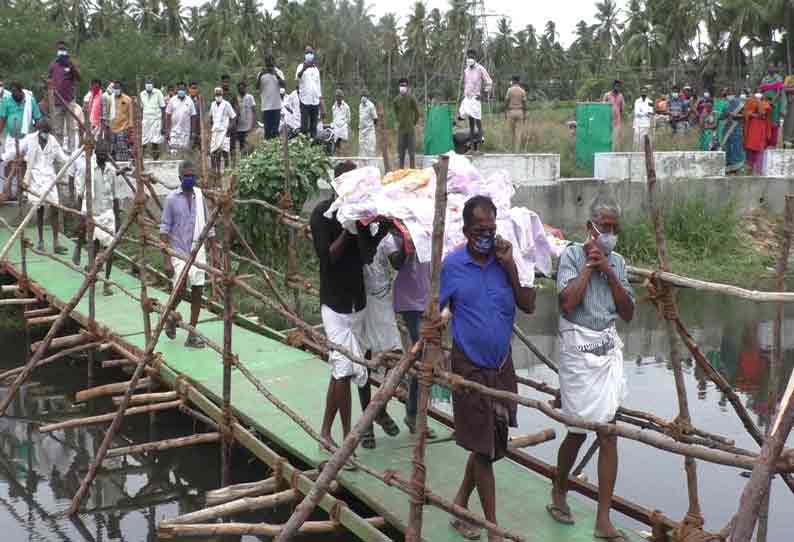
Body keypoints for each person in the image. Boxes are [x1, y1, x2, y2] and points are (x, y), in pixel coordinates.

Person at [439, 195, 535, 541]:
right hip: (469, 368)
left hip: (501, 365)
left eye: (491, 229)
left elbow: (528, 304)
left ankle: (459, 505)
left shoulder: (507, 258)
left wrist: (509, 264)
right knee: (483, 450)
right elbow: (433, 315)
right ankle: (494, 528)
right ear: (466, 231)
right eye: (480, 230)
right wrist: (435, 357)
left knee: (492, 445)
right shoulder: (452, 266)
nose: (486, 235)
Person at [549, 195, 635, 542]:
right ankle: (559, 490)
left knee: (608, 432)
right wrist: (589, 266)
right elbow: (568, 303)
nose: (610, 235)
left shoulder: (619, 263)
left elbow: (628, 311)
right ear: (591, 229)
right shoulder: (570, 256)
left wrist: (608, 271)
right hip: (577, 353)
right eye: (605, 228)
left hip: (606, 350)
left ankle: (603, 517)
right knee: (577, 428)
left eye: (615, 229)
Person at [310, 161, 395, 456]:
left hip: (357, 303)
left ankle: (325, 431)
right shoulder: (322, 215)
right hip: (334, 306)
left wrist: (380, 231)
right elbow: (327, 257)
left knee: (343, 371)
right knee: (344, 371)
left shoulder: (359, 216)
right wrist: (346, 229)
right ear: (337, 185)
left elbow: (366, 255)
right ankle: (347, 437)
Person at [381, 226, 437, 436]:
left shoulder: (432, 227)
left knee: (424, 357)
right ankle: (413, 415)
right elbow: (396, 262)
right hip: (410, 299)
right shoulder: (396, 233)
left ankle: (413, 412)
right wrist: (408, 244)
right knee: (420, 354)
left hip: (428, 296)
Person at [160, 160, 217, 348]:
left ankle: (192, 333)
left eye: (193, 175)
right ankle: (170, 316)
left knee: (198, 290)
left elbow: (209, 225)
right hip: (178, 251)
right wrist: (166, 259)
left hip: (198, 248)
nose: (190, 179)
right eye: (187, 176)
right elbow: (164, 230)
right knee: (181, 288)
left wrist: (213, 250)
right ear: (179, 178)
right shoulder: (171, 199)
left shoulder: (199, 196)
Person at [2, 119, 68, 254]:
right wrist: (5, 161)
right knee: (39, 209)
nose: (45, 134)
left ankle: (56, 242)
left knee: (55, 208)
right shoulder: (30, 139)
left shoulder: (53, 141)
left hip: (49, 178)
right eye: (44, 132)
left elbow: (63, 158)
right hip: (35, 178)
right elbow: (17, 153)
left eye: (47, 132)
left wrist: (75, 158)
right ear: (39, 130)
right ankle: (41, 241)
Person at [70, 142, 117, 296]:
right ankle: (92, 275)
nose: (101, 157)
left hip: (108, 214)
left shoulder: (111, 171)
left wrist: (118, 217)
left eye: (104, 154)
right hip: (93, 214)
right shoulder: (87, 170)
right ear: (95, 155)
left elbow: (115, 197)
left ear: (107, 155)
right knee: (95, 247)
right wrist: (79, 217)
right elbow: (80, 194)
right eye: (99, 154)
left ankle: (107, 282)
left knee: (110, 251)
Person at [0, 81, 43, 201]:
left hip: (27, 138)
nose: (14, 94)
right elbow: (2, 120)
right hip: (11, 138)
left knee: (23, 163)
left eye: (16, 92)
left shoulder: (30, 101)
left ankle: (21, 192)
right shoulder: (6, 101)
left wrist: (40, 129)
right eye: (12, 92)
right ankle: (7, 193)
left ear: (21, 90)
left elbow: (37, 118)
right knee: (9, 162)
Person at [47, 40, 81, 150]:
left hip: (69, 100)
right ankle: (58, 152)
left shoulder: (71, 63)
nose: (61, 51)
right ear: (56, 51)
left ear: (66, 50)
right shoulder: (53, 64)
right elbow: (49, 79)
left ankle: (72, 152)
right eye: (59, 49)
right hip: (57, 101)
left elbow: (79, 78)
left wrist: (72, 66)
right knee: (57, 130)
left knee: (71, 128)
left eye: (63, 49)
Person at [459, 49, 492, 154]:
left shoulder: (480, 69)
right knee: (471, 124)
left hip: (476, 98)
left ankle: (480, 149)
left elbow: (489, 82)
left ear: (475, 58)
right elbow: (466, 84)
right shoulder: (466, 70)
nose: (470, 59)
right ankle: (472, 149)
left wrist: (482, 94)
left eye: (472, 57)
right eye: (468, 57)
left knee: (478, 123)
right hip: (467, 98)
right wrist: (463, 95)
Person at [296, 46, 324, 137]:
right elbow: (297, 78)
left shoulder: (316, 70)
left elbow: (318, 88)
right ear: (304, 55)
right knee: (304, 127)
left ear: (313, 55)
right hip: (304, 101)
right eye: (307, 53)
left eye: (311, 53)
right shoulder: (300, 66)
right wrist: (304, 68)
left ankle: (312, 147)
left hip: (315, 101)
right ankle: (303, 147)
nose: (309, 54)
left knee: (313, 127)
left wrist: (321, 105)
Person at [208, 87, 236, 174]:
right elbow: (210, 117)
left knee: (225, 153)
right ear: (214, 95)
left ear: (222, 94)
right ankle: (215, 173)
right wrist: (211, 127)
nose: (218, 96)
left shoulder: (226, 104)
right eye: (217, 94)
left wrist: (229, 129)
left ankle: (227, 173)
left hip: (224, 131)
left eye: (219, 94)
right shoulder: (212, 104)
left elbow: (234, 117)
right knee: (213, 153)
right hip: (215, 132)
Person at [165, 82, 198, 156]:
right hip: (174, 131)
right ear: (177, 90)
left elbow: (193, 117)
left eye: (183, 89)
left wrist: (193, 131)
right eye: (180, 89)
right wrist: (167, 130)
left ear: (185, 90)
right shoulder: (172, 100)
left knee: (184, 152)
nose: (181, 91)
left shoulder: (189, 101)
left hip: (185, 131)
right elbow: (168, 115)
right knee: (173, 152)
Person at [394, 78, 420, 169]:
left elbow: (417, 112)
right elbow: (396, 113)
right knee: (401, 153)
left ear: (407, 87)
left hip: (410, 130)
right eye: (401, 85)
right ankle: (401, 171)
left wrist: (413, 123)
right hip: (401, 130)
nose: (402, 87)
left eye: (404, 85)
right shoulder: (396, 100)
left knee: (411, 153)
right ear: (398, 87)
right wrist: (398, 122)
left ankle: (412, 171)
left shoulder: (411, 98)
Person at [744, 90, 772, 175]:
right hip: (752, 127)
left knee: (759, 148)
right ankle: (749, 168)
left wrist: (759, 103)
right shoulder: (750, 101)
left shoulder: (766, 103)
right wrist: (753, 114)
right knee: (750, 148)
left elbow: (763, 112)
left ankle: (758, 169)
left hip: (760, 127)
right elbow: (746, 112)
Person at [139, 78, 166, 160]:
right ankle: (141, 157)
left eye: (150, 83)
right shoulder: (142, 94)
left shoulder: (158, 93)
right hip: (146, 119)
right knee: (143, 140)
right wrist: (140, 120)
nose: (149, 85)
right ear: (145, 85)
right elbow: (141, 108)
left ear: (153, 85)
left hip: (156, 120)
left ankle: (155, 158)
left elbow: (163, 108)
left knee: (155, 140)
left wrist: (163, 124)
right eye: (147, 83)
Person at [760, 64, 786, 149]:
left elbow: (779, 92)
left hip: (775, 104)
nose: (770, 68)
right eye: (769, 67)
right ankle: (765, 142)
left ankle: (773, 143)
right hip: (765, 103)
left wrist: (772, 101)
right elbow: (762, 91)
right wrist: (764, 102)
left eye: (772, 67)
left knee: (774, 123)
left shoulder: (778, 78)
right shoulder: (764, 79)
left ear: (775, 68)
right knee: (765, 121)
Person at [258, 55, 283, 139]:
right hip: (265, 107)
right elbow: (257, 87)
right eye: (268, 64)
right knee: (267, 131)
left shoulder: (278, 72)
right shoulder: (261, 74)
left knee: (275, 131)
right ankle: (268, 149)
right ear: (265, 64)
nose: (269, 66)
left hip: (276, 106)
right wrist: (261, 74)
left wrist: (276, 75)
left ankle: (275, 148)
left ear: (274, 63)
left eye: (271, 64)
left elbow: (284, 85)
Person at [721, 89, 746, 174]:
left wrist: (735, 115)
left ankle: (737, 167)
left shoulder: (739, 103)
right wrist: (727, 114)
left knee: (736, 146)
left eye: (730, 93)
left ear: (734, 94)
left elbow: (744, 115)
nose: (728, 95)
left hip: (736, 128)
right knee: (727, 147)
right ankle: (728, 167)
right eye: (727, 94)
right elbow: (722, 116)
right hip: (727, 128)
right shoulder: (725, 103)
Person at [109, 81, 134, 162]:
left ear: (121, 89)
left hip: (123, 128)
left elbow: (130, 114)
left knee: (122, 147)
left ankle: (123, 164)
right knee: (112, 148)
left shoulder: (127, 99)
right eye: (115, 88)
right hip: (112, 127)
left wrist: (130, 128)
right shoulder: (110, 99)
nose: (116, 89)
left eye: (118, 88)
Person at [504, 75, 526, 153]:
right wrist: (524, 114)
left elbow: (506, 101)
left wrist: (505, 112)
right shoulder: (522, 91)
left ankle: (511, 150)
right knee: (518, 133)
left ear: (513, 80)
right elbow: (524, 103)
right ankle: (517, 151)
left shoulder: (509, 90)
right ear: (519, 81)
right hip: (520, 112)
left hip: (511, 111)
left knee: (511, 132)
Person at [233, 81, 256, 156]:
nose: (241, 89)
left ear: (245, 88)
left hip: (248, 127)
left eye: (243, 88)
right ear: (237, 89)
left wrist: (253, 125)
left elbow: (254, 111)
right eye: (240, 88)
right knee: (241, 148)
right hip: (239, 128)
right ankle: (243, 162)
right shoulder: (236, 98)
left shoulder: (250, 97)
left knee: (250, 146)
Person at [632, 86, 654, 152]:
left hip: (646, 124)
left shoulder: (650, 101)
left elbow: (650, 113)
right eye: (642, 91)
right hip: (637, 124)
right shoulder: (637, 101)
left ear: (647, 92)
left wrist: (642, 112)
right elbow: (636, 113)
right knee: (636, 141)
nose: (643, 92)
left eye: (645, 91)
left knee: (644, 142)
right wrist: (645, 113)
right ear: (640, 92)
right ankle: (635, 154)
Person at [603, 80, 624, 150]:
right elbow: (602, 108)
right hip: (607, 122)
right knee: (607, 139)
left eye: (619, 87)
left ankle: (615, 155)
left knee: (616, 140)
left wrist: (618, 117)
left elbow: (621, 109)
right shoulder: (607, 95)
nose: (618, 88)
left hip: (617, 122)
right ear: (613, 86)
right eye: (616, 86)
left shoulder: (621, 96)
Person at [358, 89, 378, 156]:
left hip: (369, 130)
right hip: (361, 130)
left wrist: (371, 127)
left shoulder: (371, 105)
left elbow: (375, 118)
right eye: (362, 96)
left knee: (370, 148)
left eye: (364, 96)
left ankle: (371, 164)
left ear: (367, 97)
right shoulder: (360, 105)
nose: (363, 97)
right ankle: (363, 165)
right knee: (362, 149)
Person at [331, 89, 351, 154]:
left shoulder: (346, 106)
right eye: (337, 96)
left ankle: (345, 156)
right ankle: (337, 156)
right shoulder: (334, 107)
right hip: (336, 128)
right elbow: (334, 118)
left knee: (344, 144)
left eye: (339, 96)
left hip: (343, 128)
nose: (338, 98)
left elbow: (348, 118)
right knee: (336, 145)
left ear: (342, 97)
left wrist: (344, 125)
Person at [784, 73, 794, 148]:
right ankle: (788, 139)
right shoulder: (789, 78)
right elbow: (785, 88)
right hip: (791, 101)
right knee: (790, 120)